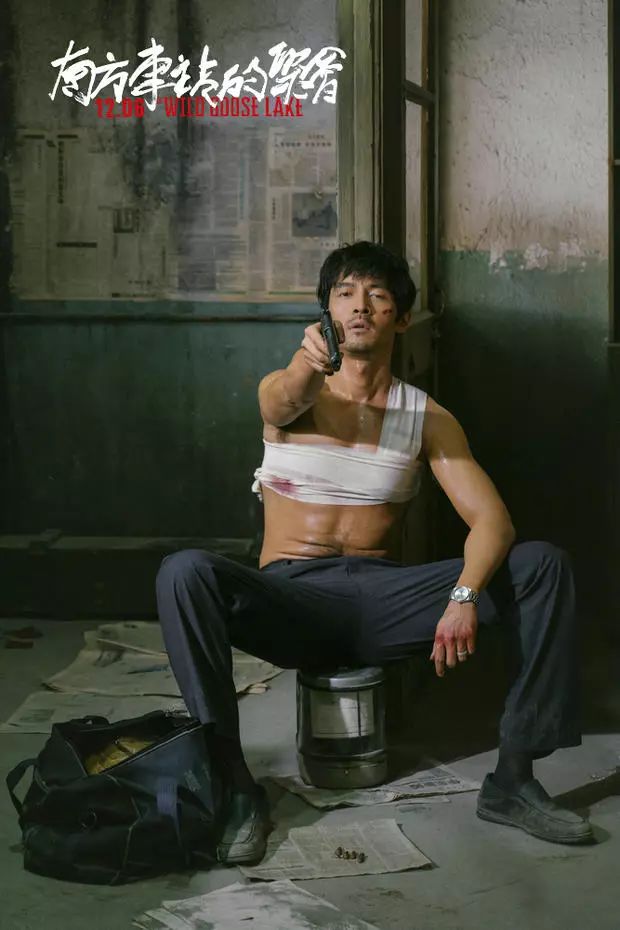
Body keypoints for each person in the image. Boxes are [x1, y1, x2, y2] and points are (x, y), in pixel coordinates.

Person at [156, 240, 594, 865]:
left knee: (543, 564)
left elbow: (492, 522)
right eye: (345, 294)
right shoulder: (288, 394)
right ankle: (232, 787)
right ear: (327, 313)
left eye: (377, 295)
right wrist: (307, 365)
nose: (360, 306)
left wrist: (464, 596)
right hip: (293, 597)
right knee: (183, 572)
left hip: (383, 600)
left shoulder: (427, 417)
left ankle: (514, 779)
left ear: (402, 317)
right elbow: (280, 399)